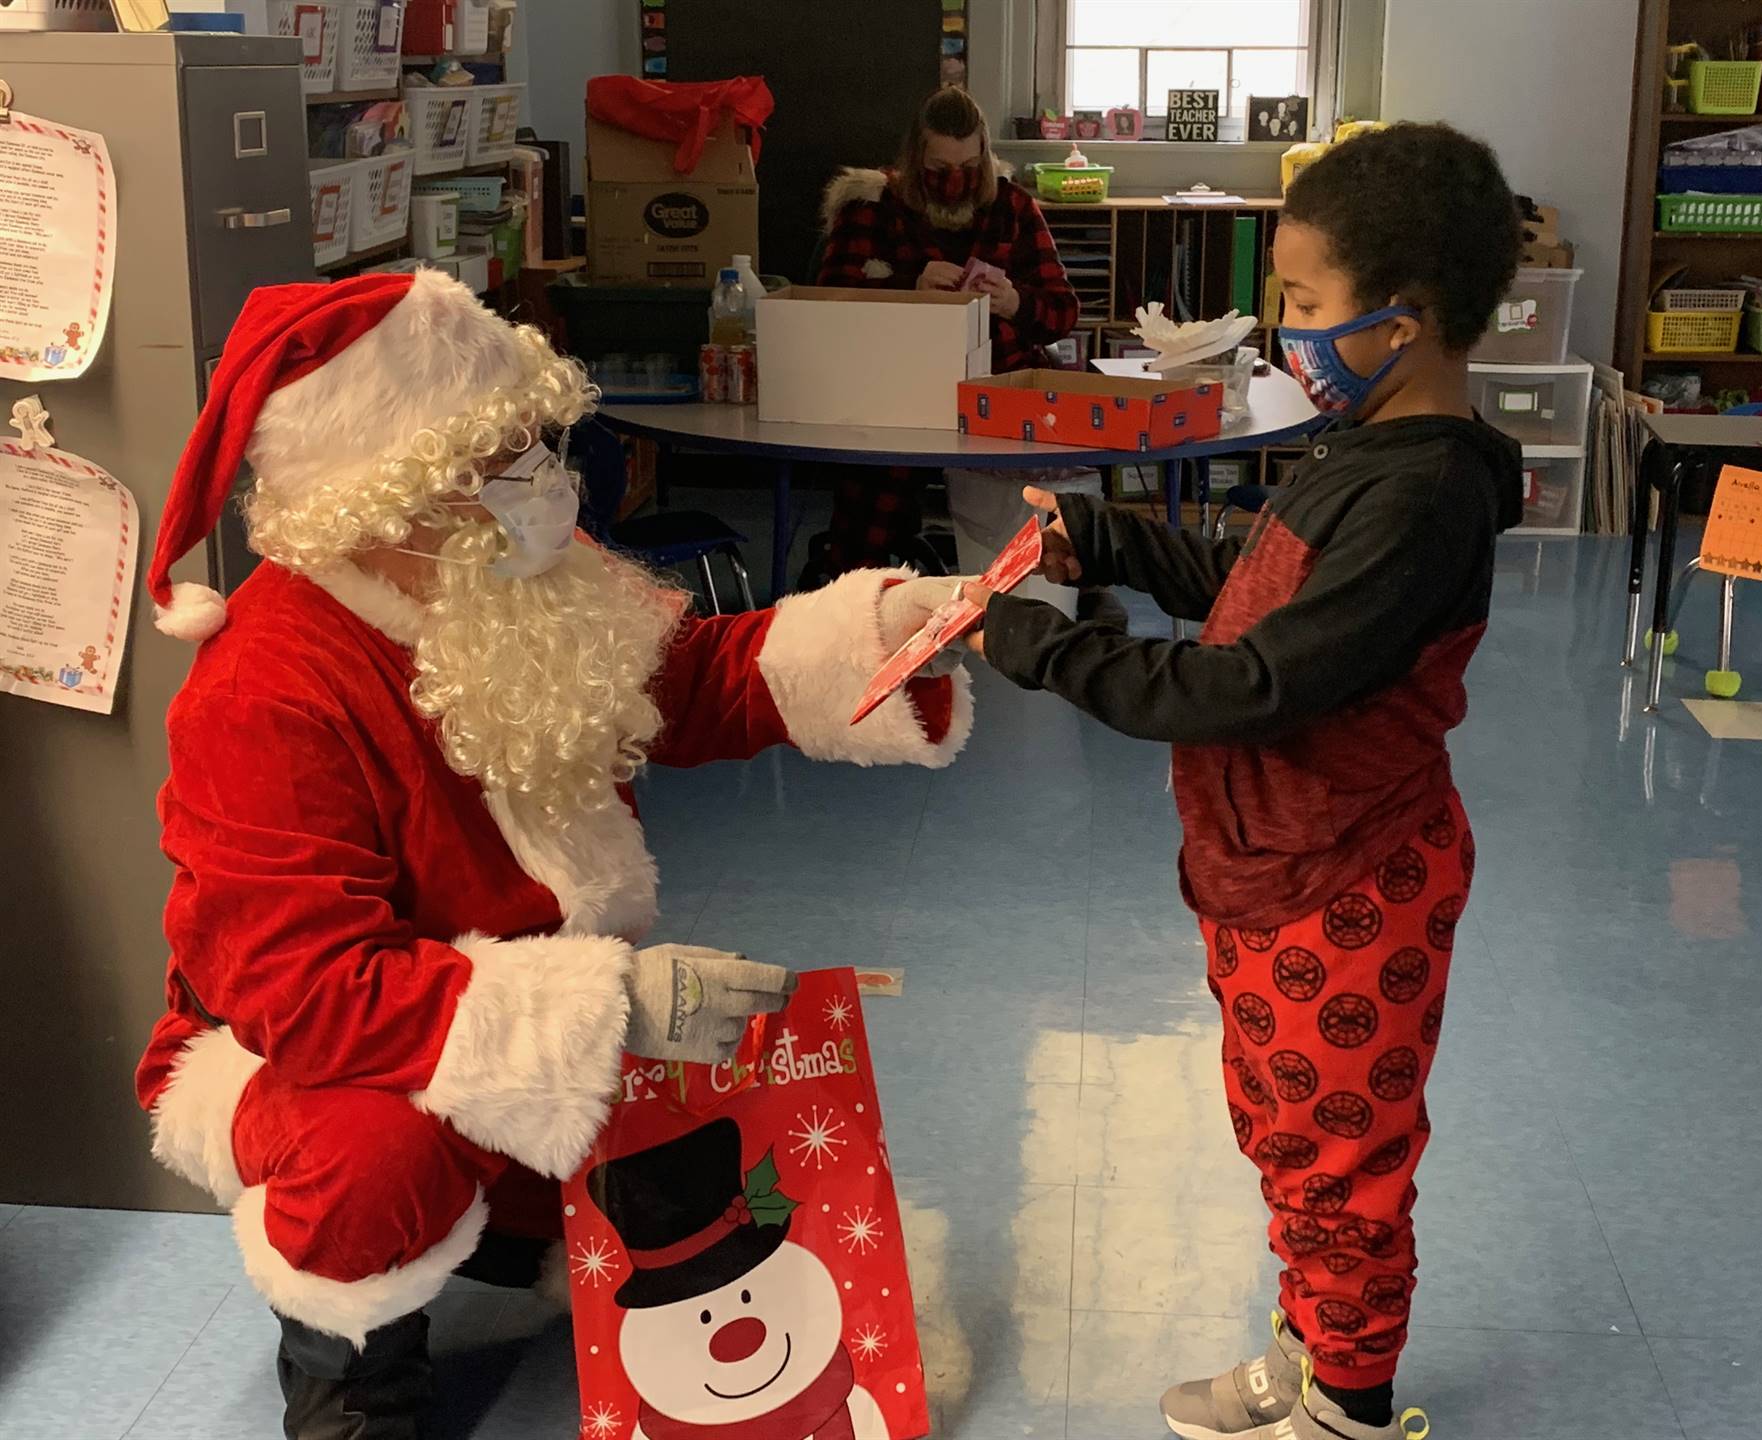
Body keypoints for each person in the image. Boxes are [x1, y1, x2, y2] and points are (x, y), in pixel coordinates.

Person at [133, 270, 972, 1440]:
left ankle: (535, 1230)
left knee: (710, 1136)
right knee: (381, 1154)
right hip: (304, 1053)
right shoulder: (267, 688)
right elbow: (306, 994)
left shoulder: (522, 583)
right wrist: (614, 1004)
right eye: (503, 452)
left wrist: (878, 637)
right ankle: (352, 1375)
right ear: (395, 492)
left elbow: (687, 680)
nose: (544, 477)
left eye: (534, 438)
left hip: (532, 993)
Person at [956, 124, 1525, 1440]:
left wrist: (1050, 648)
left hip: (1346, 882)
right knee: (1289, 1140)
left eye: (1312, 307)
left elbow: (1251, 686)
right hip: (1276, 870)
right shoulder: (1366, 450)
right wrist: (1108, 537)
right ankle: (1316, 1353)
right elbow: (1248, 589)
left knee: (1343, 1162)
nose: (1289, 334)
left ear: (1409, 318)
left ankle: (1348, 1410)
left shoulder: (1424, 495)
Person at [810, 86, 1081, 584]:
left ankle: (1031, 608)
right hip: (894, 394)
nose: (955, 183)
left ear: (985, 157)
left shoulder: (1013, 207)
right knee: (866, 522)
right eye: (939, 171)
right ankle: (844, 609)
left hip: (998, 389)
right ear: (914, 160)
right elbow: (827, 310)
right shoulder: (874, 206)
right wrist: (907, 290)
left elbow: (1063, 313)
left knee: (1032, 531)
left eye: (969, 169)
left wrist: (1015, 301)